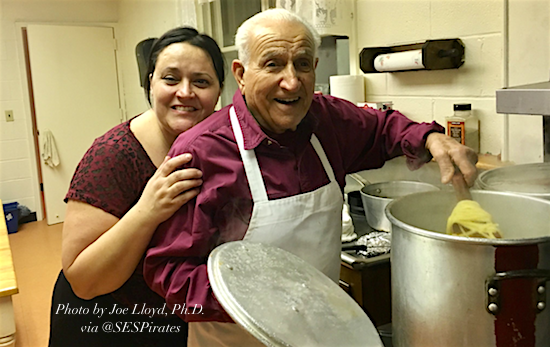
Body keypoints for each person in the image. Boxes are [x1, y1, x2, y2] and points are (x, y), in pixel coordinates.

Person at [143, 9, 478, 347]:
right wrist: (260, 299)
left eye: (302, 64)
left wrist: (431, 138)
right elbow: (168, 272)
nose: (291, 81)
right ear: (241, 74)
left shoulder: (328, 120)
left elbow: (383, 128)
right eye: (272, 64)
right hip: (235, 340)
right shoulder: (200, 153)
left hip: (320, 335)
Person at [48, 26, 225, 347]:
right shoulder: (113, 155)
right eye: (170, 79)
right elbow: (83, 281)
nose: (185, 92)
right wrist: (148, 210)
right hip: (107, 320)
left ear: (219, 91)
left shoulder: (221, 148)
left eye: (201, 81)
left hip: (177, 318)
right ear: (150, 84)